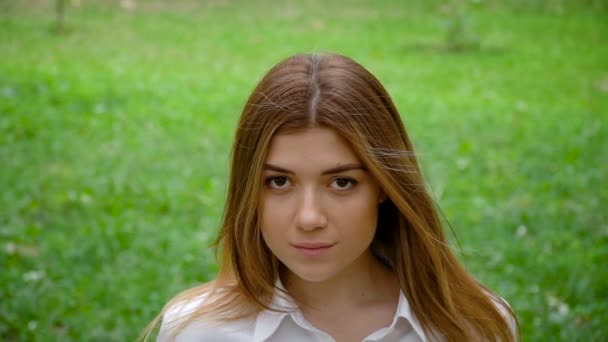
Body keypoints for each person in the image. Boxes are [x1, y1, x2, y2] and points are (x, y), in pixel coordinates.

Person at [142, 53, 518, 341]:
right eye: (278, 182)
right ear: (248, 192)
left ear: (385, 187)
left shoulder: (473, 326)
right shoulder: (198, 331)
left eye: (341, 183)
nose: (309, 218)